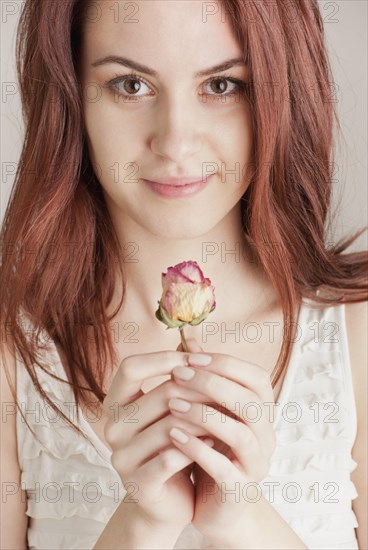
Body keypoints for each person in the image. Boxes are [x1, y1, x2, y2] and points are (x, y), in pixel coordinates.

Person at [1, 0, 367, 549]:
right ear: (71, 97)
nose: (175, 142)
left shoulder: (358, 330)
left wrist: (241, 520)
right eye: (129, 85)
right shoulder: (12, 348)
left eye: (222, 86)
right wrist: (143, 523)